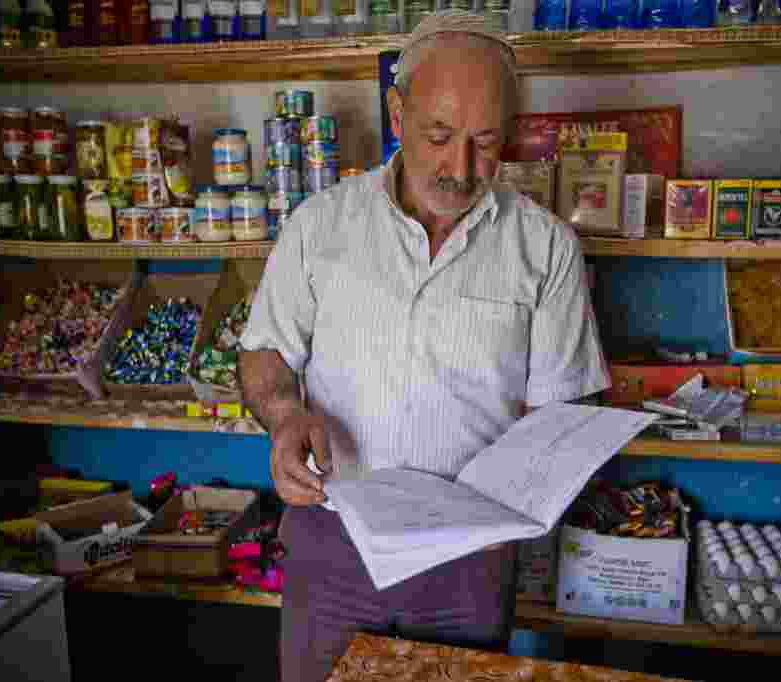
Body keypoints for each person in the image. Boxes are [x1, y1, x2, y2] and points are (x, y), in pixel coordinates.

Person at [238, 10, 610, 682]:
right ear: (397, 110)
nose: (459, 167)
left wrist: (550, 457)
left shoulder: (545, 247)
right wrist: (286, 416)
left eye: (485, 142)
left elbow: (566, 410)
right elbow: (264, 353)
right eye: (438, 135)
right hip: (334, 545)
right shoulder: (320, 226)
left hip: (468, 563)